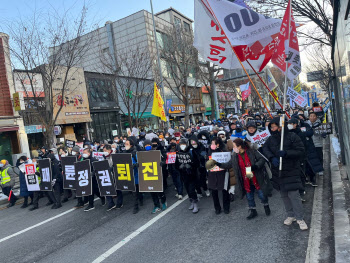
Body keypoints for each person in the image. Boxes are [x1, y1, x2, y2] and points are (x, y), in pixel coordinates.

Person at [263, 117, 308, 230]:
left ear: (280, 126)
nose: (272, 129)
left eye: (274, 126)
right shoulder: (270, 139)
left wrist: (287, 153)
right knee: (284, 195)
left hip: (291, 169)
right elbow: (265, 149)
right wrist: (272, 157)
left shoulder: (292, 136)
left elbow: (301, 150)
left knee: (294, 194)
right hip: (278, 170)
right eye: (271, 127)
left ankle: (300, 218)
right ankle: (290, 215)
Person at [217, 138, 272, 219]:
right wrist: (218, 164)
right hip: (245, 177)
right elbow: (229, 164)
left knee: (261, 194)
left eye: (234, 146)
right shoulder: (235, 155)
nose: (233, 148)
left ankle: (266, 205)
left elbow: (262, 159)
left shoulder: (252, 151)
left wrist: (256, 166)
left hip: (255, 175)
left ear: (239, 146)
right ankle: (253, 210)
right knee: (249, 196)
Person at [207, 137, 231, 214]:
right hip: (212, 174)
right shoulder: (209, 150)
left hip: (223, 173)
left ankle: (226, 207)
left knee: (225, 190)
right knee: (214, 191)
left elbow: (228, 163)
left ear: (218, 144)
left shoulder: (224, 150)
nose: (212, 145)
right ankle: (217, 208)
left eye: (213, 143)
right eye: (211, 143)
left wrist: (221, 164)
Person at [176, 138, 200, 213]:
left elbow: (197, 162)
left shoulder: (192, 151)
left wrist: (191, 165)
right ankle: (191, 202)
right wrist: (180, 167)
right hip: (183, 175)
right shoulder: (178, 153)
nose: (182, 146)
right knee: (187, 189)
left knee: (192, 189)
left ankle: (195, 203)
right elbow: (176, 164)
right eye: (181, 144)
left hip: (192, 174)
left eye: (183, 144)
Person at [144, 140, 167, 213]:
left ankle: (163, 202)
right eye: (145, 145)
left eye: (148, 145)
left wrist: (162, 163)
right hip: (148, 174)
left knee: (159, 189)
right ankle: (156, 205)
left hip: (157, 173)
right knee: (152, 191)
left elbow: (164, 159)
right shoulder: (142, 154)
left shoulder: (157, 152)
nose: (147, 146)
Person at [124, 138, 143, 214]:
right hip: (129, 175)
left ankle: (137, 205)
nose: (125, 145)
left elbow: (140, 162)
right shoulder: (124, 153)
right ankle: (137, 204)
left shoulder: (135, 153)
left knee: (137, 190)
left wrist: (135, 165)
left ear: (131, 145)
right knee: (134, 192)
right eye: (125, 144)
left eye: (127, 144)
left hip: (136, 175)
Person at [103, 144, 123, 211]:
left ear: (109, 150)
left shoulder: (114, 155)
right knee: (107, 189)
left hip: (115, 174)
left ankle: (119, 203)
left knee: (117, 189)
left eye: (105, 150)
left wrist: (111, 168)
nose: (104, 152)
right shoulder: (104, 156)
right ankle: (111, 203)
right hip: (106, 174)